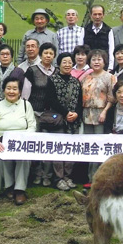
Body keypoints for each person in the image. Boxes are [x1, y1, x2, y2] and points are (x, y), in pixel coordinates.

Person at [0, 76, 37, 205]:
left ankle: (20, 189)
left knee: (24, 157)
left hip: (21, 141)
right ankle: (9, 186)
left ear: (20, 91)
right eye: (8, 88)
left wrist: (24, 139)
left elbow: (32, 125)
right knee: (0, 155)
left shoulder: (26, 105)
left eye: (15, 89)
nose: (11, 91)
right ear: (4, 90)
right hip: (1, 140)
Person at [44, 53, 83, 190]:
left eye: (69, 62)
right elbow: (50, 100)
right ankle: (58, 178)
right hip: (59, 120)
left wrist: (76, 113)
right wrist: (66, 113)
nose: (67, 65)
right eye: (64, 62)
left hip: (74, 121)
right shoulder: (52, 80)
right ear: (59, 64)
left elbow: (79, 101)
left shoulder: (76, 81)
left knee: (71, 149)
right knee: (59, 149)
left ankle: (68, 176)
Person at [22, 42, 58, 186]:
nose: (48, 56)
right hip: (34, 113)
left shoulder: (57, 71)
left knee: (49, 145)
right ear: (40, 55)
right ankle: (37, 174)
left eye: (51, 54)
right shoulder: (32, 70)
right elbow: (25, 93)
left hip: (50, 114)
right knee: (36, 145)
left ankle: (47, 176)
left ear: (54, 56)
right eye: (45, 53)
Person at [81, 49, 117, 183]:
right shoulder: (86, 77)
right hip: (86, 115)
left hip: (101, 114)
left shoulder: (109, 77)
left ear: (104, 61)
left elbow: (112, 97)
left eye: (99, 59)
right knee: (89, 147)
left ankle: (98, 179)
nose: (96, 62)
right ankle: (90, 178)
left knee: (99, 146)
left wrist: (104, 111)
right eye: (93, 60)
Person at [83, 5, 115, 69]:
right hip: (88, 67)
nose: (97, 17)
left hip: (104, 66)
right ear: (91, 15)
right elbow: (81, 49)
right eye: (95, 14)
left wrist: (110, 67)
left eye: (99, 14)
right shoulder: (84, 30)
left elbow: (111, 50)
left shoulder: (108, 30)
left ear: (103, 15)